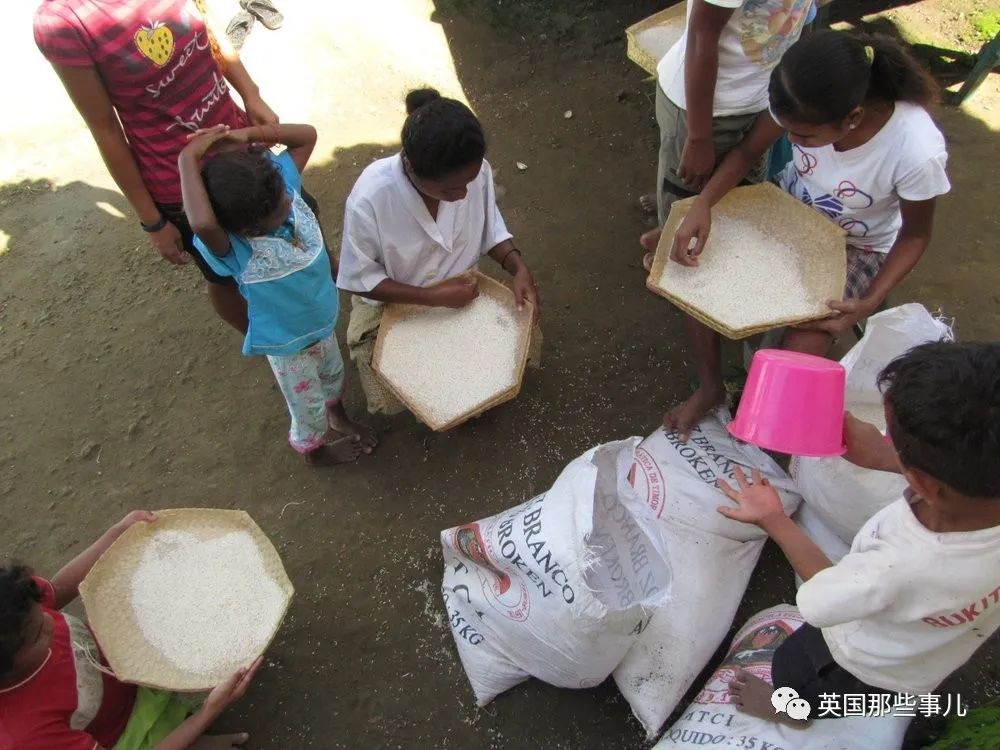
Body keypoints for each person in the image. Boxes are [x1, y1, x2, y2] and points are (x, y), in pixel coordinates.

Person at [660, 31, 950, 438]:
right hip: (787, 206)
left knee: (805, 342)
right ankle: (710, 387)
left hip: (858, 245)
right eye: (788, 130)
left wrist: (867, 301)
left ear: (852, 118)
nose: (793, 141)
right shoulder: (800, 101)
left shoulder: (916, 150)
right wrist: (704, 203)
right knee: (690, 266)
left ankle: (764, 426)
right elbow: (746, 153)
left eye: (805, 138)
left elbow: (916, 236)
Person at [715, 341, 1000, 724]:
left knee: (796, 674)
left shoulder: (898, 564)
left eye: (892, 439)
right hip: (928, 660)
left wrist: (773, 518)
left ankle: (788, 711)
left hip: (858, 665)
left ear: (927, 484)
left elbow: (825, 595)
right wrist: (889, 457)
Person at [33, 0, 304, 333]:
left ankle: (310, 304)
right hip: (182, 183)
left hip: (239, 143)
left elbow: (207, 25)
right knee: (224, 273)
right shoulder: (64, 21)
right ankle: (269, 340)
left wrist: (251, 94)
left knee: (292, 225)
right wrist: (153, 221)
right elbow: (106, 129)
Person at [179, 123, 376, 467]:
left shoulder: (280, 187)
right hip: (288, 346)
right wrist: (188, 157)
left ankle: (338, 415)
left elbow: (307, 135)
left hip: (321, 322)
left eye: (286, 196)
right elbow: (202, 224)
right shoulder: (235, 248)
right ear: (248, 230)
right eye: (280, 210)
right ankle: (315, 450)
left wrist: (243, 136)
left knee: (333, 374)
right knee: (307, 404)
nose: (290, 201)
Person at [337, 88, 541, 415]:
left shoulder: (476, 172)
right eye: (449, 189)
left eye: (468, 183)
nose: (462, 195)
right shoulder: (370, 199)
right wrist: (434, 298)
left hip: (463, 288)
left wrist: (518, 267)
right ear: (412, 168)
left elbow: (490, 227)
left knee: (519, 345)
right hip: (397, 298)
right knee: (390, 386)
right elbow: (362, 279)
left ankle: (470, 403)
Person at [0, 511, 263, 749]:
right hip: (122, 738)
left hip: (127, 681)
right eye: (36, 635)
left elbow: (58, 589)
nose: (48, 623)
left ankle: (185, 729)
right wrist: (209, 712)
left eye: (44, 614)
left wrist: (115, 533)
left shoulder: (15, 604)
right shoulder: (27, 735)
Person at [637, 0, 818, 229]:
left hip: (764, 97)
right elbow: (701, 34)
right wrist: (699, 137)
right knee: (683, 202)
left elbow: (805, 13)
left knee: (739, 196)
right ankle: (668, 240)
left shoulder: (780, 107)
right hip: (707, 108)